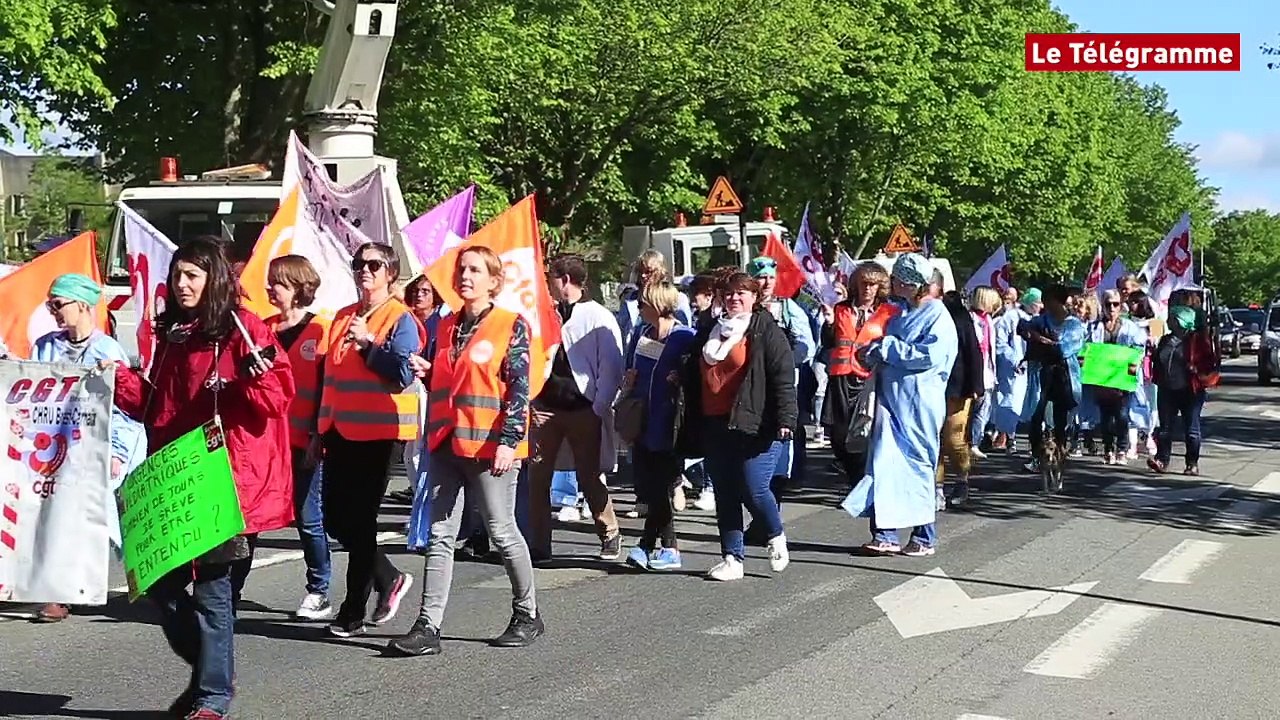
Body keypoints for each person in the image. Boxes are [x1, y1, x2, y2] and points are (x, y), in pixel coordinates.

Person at [111, 237, 294, 720]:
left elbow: (277, 401)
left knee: (214, 593)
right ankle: (211, 673)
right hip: (176, 482)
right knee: (161, 585)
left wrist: (251, 376)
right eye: (177, 275)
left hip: (226, 482)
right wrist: (118, 379)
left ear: (214, 279)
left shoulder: (243, 329)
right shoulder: (175, 336)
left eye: (192, 275)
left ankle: (212, 696)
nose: (182, 284)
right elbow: (155, 409)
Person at [389, 245, 542, 656]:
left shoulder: (510, 324)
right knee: (440, 535)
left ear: (494, 281)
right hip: (446, 442)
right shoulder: (447, 326)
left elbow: (519, 388)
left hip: (490, 448)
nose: (465, 276)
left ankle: (527, 613)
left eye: (475, 270)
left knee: (501, 531)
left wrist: (509, 441)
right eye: (462, 270)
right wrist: (429, 372)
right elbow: (452, 383)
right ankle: (428, 626)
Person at [316, 242, 424, 638]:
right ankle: (388, 576)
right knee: (334, 518)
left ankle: (352, 612)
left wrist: (368, 346)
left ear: (390, 273)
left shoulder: (400, 318)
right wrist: (319, 429)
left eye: (374, 265)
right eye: (359, 263)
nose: (365, 270)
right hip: (339, 430)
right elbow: (330, 376)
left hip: (378, 433)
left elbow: (403, 373)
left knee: (361, 521)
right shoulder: (343, 316)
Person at [31, 273, 146, 623]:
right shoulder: (45, 347)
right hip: (51, 447)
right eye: (49, 305)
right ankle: (54, 588)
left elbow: (123, 409)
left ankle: (65, 592)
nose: (52, 311)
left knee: (84, 518)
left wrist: (118, 453)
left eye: (57, 304)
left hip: (95, 448)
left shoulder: (107, 351)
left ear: (82, 305)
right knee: (49, 515)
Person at [682, 271, 796, 581]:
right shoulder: (710, 329)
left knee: (754, 487)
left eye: (741, 293)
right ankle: (732, 558)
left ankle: (775, 535)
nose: (734, 298)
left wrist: (787, 418)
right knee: (725, 492)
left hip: (756, 424)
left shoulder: (765, 330)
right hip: (715, 423)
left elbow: (783, 377)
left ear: (754, 297)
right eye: (729, 293)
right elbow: (693, 367)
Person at [844, 253, 958, 556]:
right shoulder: (900, 313)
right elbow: (882, 348)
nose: (892, 283)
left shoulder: (937, 316)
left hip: (919, 404)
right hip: (891, 401)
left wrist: (887, 348)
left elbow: (928, 356)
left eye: (896, 279)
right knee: (884, 465)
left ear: (911, 283)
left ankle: (924, 536)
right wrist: (871, 352)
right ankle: (885, 534)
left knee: (917, 465)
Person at [526, 254, 624, 560]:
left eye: (551, 278)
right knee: (537, 477)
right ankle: (539, 543)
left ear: (565, 280)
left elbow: (611, 366)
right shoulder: (545, 314)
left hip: (583, 408)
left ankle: (609, 531)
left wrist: (599, 406)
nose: (547, 284)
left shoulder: (597, 316)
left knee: (589, 475)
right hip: (546, 406)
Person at [263, 255, 334, 620]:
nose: (269, 288)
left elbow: (326, 389)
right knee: (253, 518)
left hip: (303, 438)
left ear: (296, 286)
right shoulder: (263, 329)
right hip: (266, 442)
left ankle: (319, 590)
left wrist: (318, 437)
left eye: (276, 282)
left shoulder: (321, 331)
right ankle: (232, 589)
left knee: (308, 517)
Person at [621, 281, 697, 570]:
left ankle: (658, 547)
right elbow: (632, 366)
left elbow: (697, 375)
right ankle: (656, 547)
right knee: (651, 485)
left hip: (669, 422)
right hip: (641, 418)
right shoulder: (642, 334)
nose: (639, 308)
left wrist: (682, 378)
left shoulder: (684, 337)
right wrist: (629, 380)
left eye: (643, 303)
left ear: (658, 305)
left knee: (659, 485)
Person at [747, 256, 814, 537]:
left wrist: (783, 361)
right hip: (748, 389)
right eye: (760, 278)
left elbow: (807, 346)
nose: (765, 283)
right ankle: (760, 517)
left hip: (780, 388)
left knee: (778, 456)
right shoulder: (743, 307)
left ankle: (769, 517)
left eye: (770, 278)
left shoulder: (788, 309)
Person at [820, 261, 893, 487]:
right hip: (841, 378)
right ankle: (854, 476)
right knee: (838, 436)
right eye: (863, 283)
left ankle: (861, 483)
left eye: (872, 284)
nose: (867, 289)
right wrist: (829, 324)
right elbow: (828, 343)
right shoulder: (840, 309)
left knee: (864, 433)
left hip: (870, 379)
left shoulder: (889, 312)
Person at [1020, 285, 1086, 474]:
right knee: (1037, 414)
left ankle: (1060, 452)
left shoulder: (1074, 325)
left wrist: (1041, 340)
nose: (1045, 304)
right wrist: (1036, 336)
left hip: (1064, 376)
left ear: (1058, 301)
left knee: (1060, 418)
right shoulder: (1040, 320)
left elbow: (1064, 349)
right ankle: (1036, 455)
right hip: (1042, 374)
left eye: (1048, 300)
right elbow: (1023, 328)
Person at [1149, 305, 1216, 476]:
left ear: (1181, 321)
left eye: (1172, 318)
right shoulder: (1165, 340)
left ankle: (1192, 463)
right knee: (1165, 428)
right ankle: (1162, 460)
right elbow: (1158, 360)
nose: (1168, 321)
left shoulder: (1197, 341)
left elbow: (1209, 363)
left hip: (1190, 390)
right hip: (1166, 389)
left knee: (1191, 429)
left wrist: (1195, 368)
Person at [1084, 289, 1146, 464]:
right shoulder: (1093, 327)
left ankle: (1122, 449)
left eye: (1115, 304)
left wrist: (1134, 362)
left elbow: (1139, 348)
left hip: (1122, 378)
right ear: (1103, 306)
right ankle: (1108, 448)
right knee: (1105, 416)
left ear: (1120, 306)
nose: (1112, 308)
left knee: (1122, 414)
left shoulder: (1130, 327)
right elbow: (1086, 349)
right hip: (1102, 379)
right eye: (1108, 304)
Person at [937, 291, 983, 508]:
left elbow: (973, 351)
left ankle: (962, 480)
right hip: (931, 385)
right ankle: (936, 486)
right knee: (933, 438)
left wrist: (976, 385)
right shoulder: (920, 312)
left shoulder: (959, 316)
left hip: (958, 386)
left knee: (953, 439)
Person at [991, 289, 1036, 453]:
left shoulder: (1036, 319)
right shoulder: (1011, 317)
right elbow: (1000, 342)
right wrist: (1014, 360)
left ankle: (1019, 436)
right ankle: (1008, 436)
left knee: (1028, 403)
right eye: (1037, 302)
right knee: (1010, 400)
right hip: (1013, 369)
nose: (1040, 306)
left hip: (1031, 368)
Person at [967, 286, 1002, 459]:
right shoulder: (971, 319)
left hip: (987, 372)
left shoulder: (988, 320)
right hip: (974, 371)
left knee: (984, 409)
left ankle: (975, 442)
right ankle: (969, 442)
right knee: (972, 410)